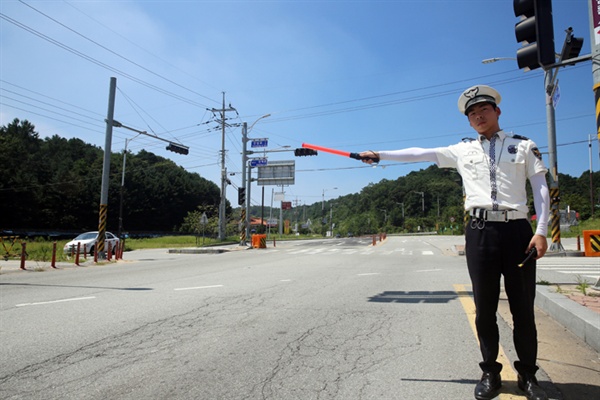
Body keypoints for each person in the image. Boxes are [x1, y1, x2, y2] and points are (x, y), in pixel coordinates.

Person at [359, 85, 550, 400]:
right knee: (484, 308)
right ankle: (490, 372)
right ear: (469, 120)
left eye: (483, 110)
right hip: (480, 232)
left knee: (523, 309)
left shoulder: (524, 146)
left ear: (497, 112)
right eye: (472, 113)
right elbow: (420, 153)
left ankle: (528, 376)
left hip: (518, 232)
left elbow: (540, 188)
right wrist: (380, 154)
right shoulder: (462, 151)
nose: (478, 116)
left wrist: (541, 230)